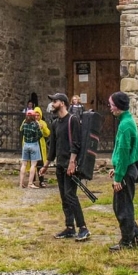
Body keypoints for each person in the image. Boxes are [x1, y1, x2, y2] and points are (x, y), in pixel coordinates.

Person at [39, 93, 90, 242]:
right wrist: (46, 165)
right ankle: (69, 227)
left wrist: (72, 162)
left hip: (70, 165)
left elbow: (76, 143)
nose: (52, 104)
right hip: (60, 165)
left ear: (62, 103)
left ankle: (83, 228)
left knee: (71, 196)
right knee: (64, 197)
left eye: (54, 101)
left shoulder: (72, 120)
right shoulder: (55, 123)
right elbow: (53, 146)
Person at [107, 91, 138, 251]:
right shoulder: (127, 120)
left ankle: (127, 242)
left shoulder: (125, 125)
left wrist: (118, 176)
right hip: (127, 169)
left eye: (111, 105)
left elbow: (124, 152)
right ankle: (136, 238)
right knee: (124, 205)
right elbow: (125, 152)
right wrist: (115, 168)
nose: (110, 108)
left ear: (117, 107)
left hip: (127, 171)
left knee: (122, 208)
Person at [19, 110, 42, 188]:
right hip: (34, 145)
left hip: (25, 144)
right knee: (33, 165)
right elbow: (40, 135)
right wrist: (38, 125)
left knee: (24, 164)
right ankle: (30, 183)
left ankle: (21, 183)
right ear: (33, 116)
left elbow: (21, 130)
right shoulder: (35, 124)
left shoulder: (24, 124)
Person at [33, 107, 50, 187]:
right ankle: (32, 180)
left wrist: (42, 128)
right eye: (35, 115)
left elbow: (47, 133)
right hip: (33, 144)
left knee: (40, 163)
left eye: (38, 115)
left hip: (40, 145)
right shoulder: (30, 122)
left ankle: (41, 181)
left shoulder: (43, 123)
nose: (36, 117)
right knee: (33, 163)